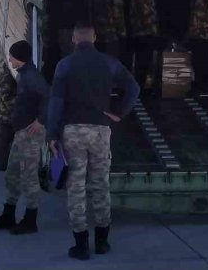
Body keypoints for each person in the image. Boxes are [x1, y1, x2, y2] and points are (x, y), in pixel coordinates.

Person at [48, 22, 140, 260]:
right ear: (95, 38)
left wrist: (52, 135)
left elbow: (56, 102)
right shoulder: (109, 63)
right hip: (101, 129)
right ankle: (102, 242)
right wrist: (119, 112)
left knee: (76, 187)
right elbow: (134, 87)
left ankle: (80, 245)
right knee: (100, 184)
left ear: (73, 39)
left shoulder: (65, 65)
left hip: (73, 131)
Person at [0, 40, 50, 235]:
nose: (10, 60)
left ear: (18, 57)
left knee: (29, 176)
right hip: (21, 132)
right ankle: (9, 214)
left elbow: (48, 97)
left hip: (30, 133)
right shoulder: (24, 75)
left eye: (12, 56)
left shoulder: (31, 77)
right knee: (12, 173)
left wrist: (41, 121)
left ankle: (30, 220)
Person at [130, 0, 159, 91]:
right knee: (144, 60)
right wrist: (153, 28)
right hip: (145, 31)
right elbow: (146, 13)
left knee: (142, 60)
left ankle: (140, 86)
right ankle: (141, 87)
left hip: (140, 31)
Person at [0, 70, 18, 171]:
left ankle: (4, 164)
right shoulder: (8, 78)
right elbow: (5, 97)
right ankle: (4, 164)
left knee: (5, 141)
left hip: (5, 115)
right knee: (5, 141)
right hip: (7, 115)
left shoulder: (5, 76)